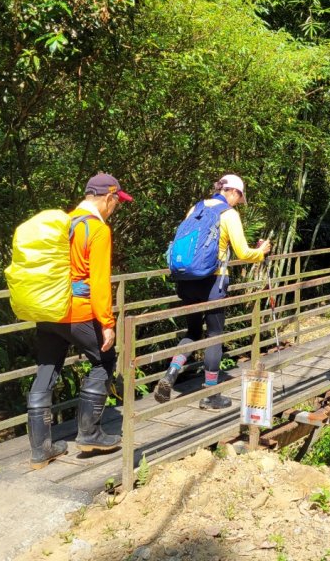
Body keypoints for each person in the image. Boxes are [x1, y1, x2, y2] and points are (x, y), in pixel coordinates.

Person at [26, 172, 133, 469]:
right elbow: (99, 281)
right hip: (78, 310)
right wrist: (107, 322)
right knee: (105, 361)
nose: (116, 208)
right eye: (117, 202)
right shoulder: (97, 230)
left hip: (48, 309)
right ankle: (89, 434)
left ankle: (40, 449)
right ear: (108, 197)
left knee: (47, 369)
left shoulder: (64, 222)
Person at [154, 174, 271, 410]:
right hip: (213, 282)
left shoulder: (194, 208)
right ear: (233, 193)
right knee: (215, 335)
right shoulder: (228, 214)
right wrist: (262, 252)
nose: (238, 202)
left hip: (187, 280)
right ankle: (210, 394)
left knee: (193, 330)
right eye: (239, 197)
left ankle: (170, 374)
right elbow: (242, 252)